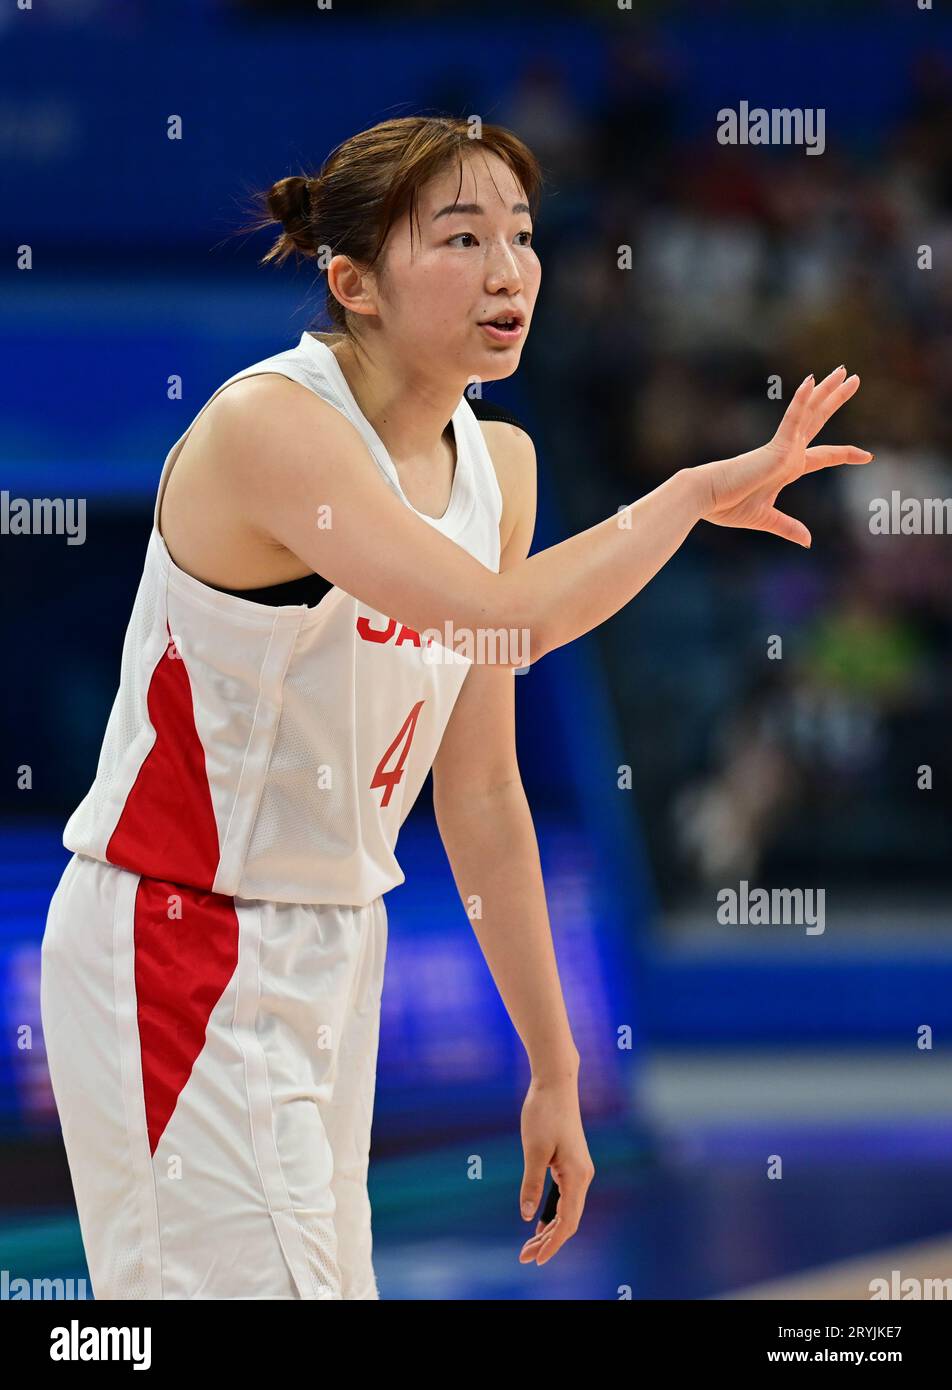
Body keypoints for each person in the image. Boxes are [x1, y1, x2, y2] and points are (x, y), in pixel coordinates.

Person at [39, 115, 869, 1300]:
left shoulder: (504, 468)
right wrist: (683, 495)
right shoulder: (271, 428)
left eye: (522, 237)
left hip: (336, 943)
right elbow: (505, 618)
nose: (507, 270)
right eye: (462, 237)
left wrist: (552, 1063)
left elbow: (478, 789)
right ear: (352, 283)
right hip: (175, 935)